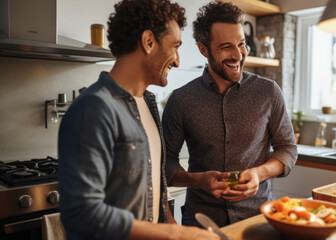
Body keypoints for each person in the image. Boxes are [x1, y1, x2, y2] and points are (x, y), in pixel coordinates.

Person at [58, 0, 220, 239]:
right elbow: (81, 215)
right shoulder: (94, 108)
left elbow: (152, 190)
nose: (177, 60)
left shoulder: (149, 104)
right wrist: (174, 234)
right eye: (175, 47)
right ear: (148, 41)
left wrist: (173, 227)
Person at [162, 1, 298, 228]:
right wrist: (197, 180)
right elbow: (165, 163)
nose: (238, 55)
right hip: (201, 222)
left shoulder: (268, 91)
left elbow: (288, 149)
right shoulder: (180, 100)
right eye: (226, 47)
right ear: (203, 49)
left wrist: (259, 173)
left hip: (258, 219)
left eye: (242, 44)